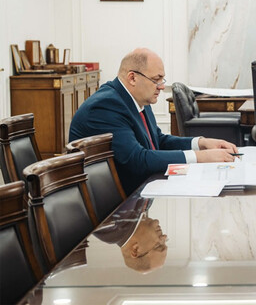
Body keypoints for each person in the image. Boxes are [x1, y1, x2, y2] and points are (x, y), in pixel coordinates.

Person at [69, 47, 238, 194]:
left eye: (162, 79)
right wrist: (200, 157)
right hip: (118, 208)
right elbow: (137, 160)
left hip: (142, 189)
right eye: (156, 80)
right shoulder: (106, 106)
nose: (162, 86)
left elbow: (158, 140)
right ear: (132, 78)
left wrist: (201, 143)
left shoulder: (138, 98)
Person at [94, 195, 167, 273]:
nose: (164, 237)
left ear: (135, 250)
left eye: (158, 246)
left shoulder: (114, 224)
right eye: (165, 241)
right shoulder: (141, 213)